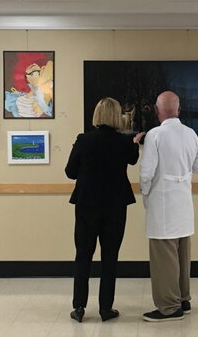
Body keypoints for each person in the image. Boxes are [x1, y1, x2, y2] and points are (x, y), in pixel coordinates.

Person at [65, 97, 145, 323]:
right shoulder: (123, 142)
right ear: (117, 116)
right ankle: (105, 308)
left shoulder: (83, 140)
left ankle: (79, 307)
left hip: (87, 204)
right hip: (115, 206)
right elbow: (132, 159)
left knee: (83, 254)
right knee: (110, 257)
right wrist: (135, 143)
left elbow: (70, 172)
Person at [139, 91, 198, 322]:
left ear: (158, 111)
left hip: (162, 202)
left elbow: (146, 172)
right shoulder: (191, 133)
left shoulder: (155, 135)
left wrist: (145, 193)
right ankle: (183, 299)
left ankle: (169, 306)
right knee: (182, 253)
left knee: (163, 256)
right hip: (184, 202)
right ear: (179, 109)